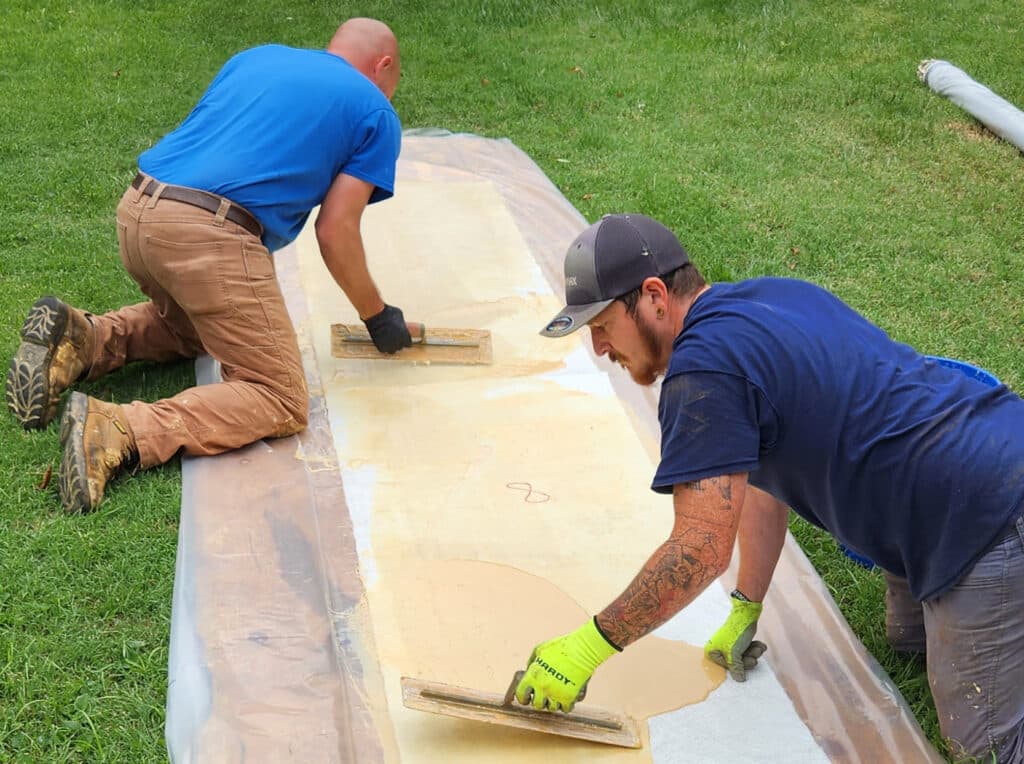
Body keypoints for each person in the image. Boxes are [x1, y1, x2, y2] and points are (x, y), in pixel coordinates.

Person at [512, 213, 1024, 762]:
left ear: (655, 297)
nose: (598, 348)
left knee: (987, 747)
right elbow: (759, 476)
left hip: (981, 513)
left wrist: (588, 648)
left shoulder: (703, 375)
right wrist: (746, 604)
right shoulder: (768, 298)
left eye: (603, 325)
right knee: (907, 642)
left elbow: (699, 548)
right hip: (965, 465)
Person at [5, 18, 412, 513]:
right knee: (278, 396)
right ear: (383, 66)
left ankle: (84, 338)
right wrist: (378, 317)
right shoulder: (375, 109)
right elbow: (336, 231)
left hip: (139, 209)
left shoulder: (257, 57)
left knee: (197, 328)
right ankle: (119, 428)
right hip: (210, 232)